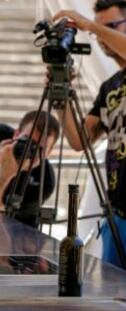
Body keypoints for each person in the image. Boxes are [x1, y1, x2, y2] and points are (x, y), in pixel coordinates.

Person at [53, 0, 126, 269]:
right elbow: (79, 140)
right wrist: (61, 94)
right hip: (117, 214)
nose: (101, 37)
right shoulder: (111, 86)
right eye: (99, 31)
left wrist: (89, 25)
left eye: (111, 27)